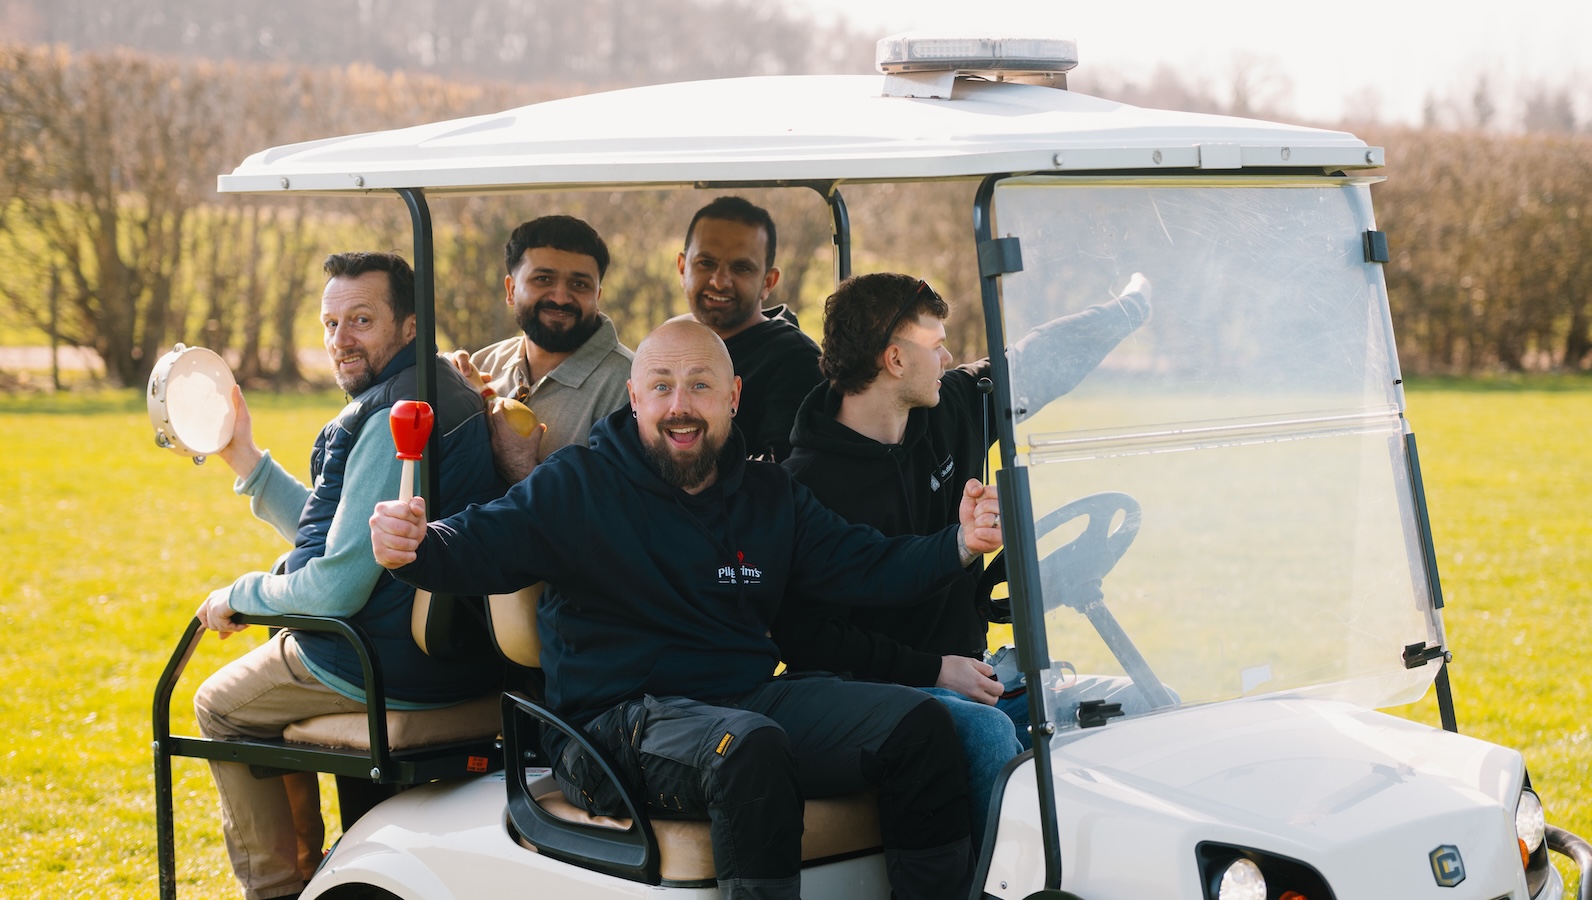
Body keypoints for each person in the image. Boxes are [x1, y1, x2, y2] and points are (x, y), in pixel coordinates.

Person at [370, 319, 1005, 900]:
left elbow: (868, 565)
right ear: (634, 397)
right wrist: (415, 548)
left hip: (742, 701)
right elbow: (473, 544)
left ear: (733, 396)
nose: (681, 405)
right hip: (609, 725)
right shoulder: (578, 484)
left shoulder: (769, 493)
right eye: (663, 386)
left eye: (700, 386)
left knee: (920, 728)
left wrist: (959, 542)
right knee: (749, 749)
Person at [775, 271, 1153, 842]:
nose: (949, 354)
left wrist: (1127, 311)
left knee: (1141, 702)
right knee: (983, 735)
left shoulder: (950, 407)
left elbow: (1032, 362)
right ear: (895, 360)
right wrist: (933, 669)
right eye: (935, 343)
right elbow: (809, 642)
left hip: (976, 672)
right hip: (880, 694)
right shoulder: (804, 483)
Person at [191, 251, 505, 900]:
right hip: (452, 656)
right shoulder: (434, 387)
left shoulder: (396, 413)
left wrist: (238, 597)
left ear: (411, 326)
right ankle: (313, 876)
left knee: (217, 706)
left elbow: (335, 589)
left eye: (361, 319)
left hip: (377, 664)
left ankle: (282, 889)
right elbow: (347, 537)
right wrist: (246, 461)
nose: (341, 340)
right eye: (331, 323)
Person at [451, 215, 634, 481]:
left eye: (579, 284)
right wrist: (447, 384)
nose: (561, 297)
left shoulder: (630, 386)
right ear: (511, 290)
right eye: (543, 279)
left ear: (598, 297)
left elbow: (616, 511)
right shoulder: (483, 363)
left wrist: (521, 465)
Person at [677, 195, 821, 461]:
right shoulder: (670, 339)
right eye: (706, 263)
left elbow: (784, 481)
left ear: (768, 281)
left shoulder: (796, 361)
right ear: (683, 268)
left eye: (741, 267)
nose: (719, 282)